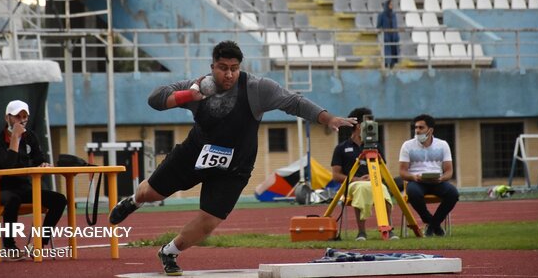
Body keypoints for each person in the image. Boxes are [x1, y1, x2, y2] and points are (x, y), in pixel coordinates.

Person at [109, 40, 358, 276]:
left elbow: (294, 102)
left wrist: (329, 118)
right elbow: (155, 100)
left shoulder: (257, 89)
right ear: (212, 67)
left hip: (235, 167)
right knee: (152, 194)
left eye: (234, 69)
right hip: (194, 153)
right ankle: (133, 201)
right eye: (223, 68)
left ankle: (169, 252)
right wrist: (189, 96)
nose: (228, 75)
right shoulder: (198, 87)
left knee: (209, 221)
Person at [0, 100, 67, 260]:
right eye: (17, 116)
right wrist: (15, 137)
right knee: (13, 199)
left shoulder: (30, 136)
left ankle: (38, 243)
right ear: (7, 118)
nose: (21, 120)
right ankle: (9, 246)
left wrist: (43, 164)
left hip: (25, 188)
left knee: (59, 200)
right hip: (1, 189)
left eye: (24, 117)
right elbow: (8, 165)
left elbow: (39, 159)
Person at [331, 107, 398, 241]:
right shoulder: (341, 148)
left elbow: (382, 169)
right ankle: (361, 232)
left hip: (374, 182)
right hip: (353, 186)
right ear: (358, 126)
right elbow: (336, 175)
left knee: (383, 189)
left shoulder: (376, 147)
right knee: (361, 188)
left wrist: (373, 177)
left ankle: (388, 229)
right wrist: (356, 179)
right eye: (368, 122)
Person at [398, 114, 459, 237]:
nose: (417, 131)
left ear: (430, 130)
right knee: (413, 193)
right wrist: (415, 177)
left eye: (421, 128)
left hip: (437, 181)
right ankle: (434, 225)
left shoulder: (443, 145)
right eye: (416, 127)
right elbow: (402, 172)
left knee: (453, 194)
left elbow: (449, 171)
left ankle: (432, 226)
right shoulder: (407, 145)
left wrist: (441, 178)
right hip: (416, 181)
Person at [376, 0, 400, 68]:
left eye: (392, 5)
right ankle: (386, 67)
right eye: (390, 5)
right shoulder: (381, 15)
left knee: (393, 55)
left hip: (393, 37)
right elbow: (378, 26)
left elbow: (395, 25)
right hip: (386, 37)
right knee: (386, 56)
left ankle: (392, 67)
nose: (391, 6)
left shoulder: (394, 15)